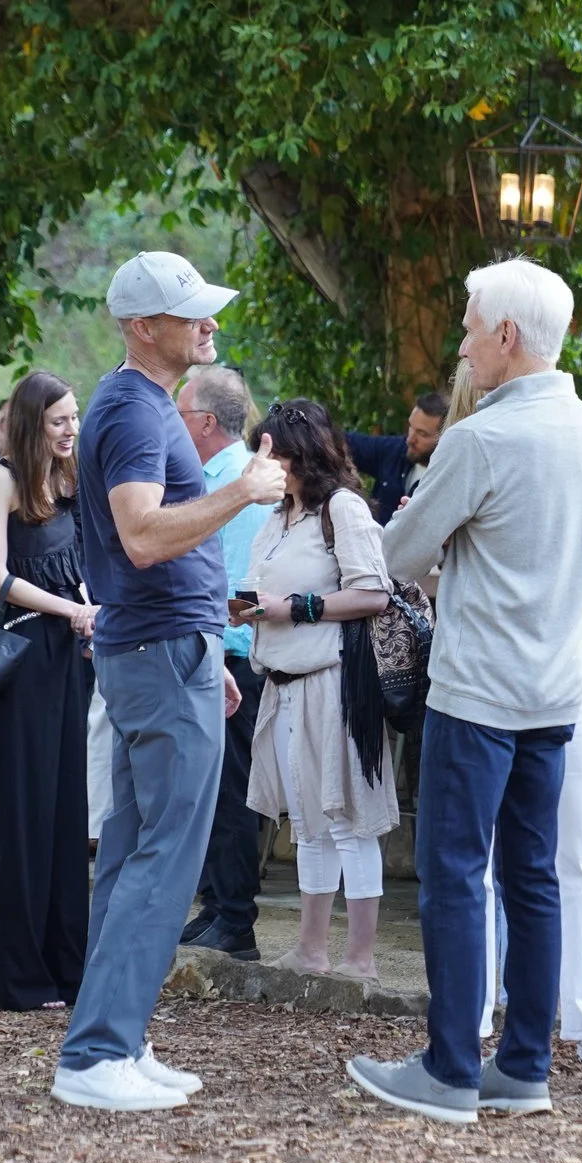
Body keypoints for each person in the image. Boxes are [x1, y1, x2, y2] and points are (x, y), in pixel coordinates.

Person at [346, 258, 582, 1126]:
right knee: (533, 877)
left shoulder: (481, 437)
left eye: (467, 331)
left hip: (478, 690)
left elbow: (396, 555)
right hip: (554, 690)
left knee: (455, 876)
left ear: (505, 334)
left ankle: (450, 1067)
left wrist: (445, 545)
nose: (460, 348)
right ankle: (524, 1065)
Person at [53, 252, 282, 1112]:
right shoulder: (136, 410)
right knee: (164, 857)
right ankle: (97, 1051)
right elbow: (144, 536)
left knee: (131, 853)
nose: (210, 323)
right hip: (158, 653)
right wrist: (245, 490)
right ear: (144, 326)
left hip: (163, 651)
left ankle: (113, 1037)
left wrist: (203, 650)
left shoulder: (134, 403)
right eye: (193, 313)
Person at [239, 399, 397, 981]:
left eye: (274, 454)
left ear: (302, 455)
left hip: (334, 683)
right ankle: (311, 949)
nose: (267, 464)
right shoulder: (278, 516)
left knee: (348, 819)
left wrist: (297, 608)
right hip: (283, 683)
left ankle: (360, 958)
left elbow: (373, 593)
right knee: (308, 821)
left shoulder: (342, 509)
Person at [0, 371, 98, 1011]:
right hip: (20, 659)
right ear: (31, 423)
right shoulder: (0, 480)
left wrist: (92, 612)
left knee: (66, 810)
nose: (71, 429)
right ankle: (20, 975)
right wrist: (69, 610)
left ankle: (67, 968)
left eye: (74, 417)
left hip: (71, 658)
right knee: (20, 811)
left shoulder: (73, 482)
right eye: (58, 420)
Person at [176, 364, 271, 961]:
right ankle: (216, 906)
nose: (174, 423)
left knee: (231, 791)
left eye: (181, 413)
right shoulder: (222, 478)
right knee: (213, 790)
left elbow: (232, 580)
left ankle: (235, 919)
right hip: (223, 650)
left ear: (207, 422)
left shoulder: (238, 482)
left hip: (233, 656)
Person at [346, 392, 449, 523]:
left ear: (445, 438)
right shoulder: (396, 450)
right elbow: (344, 442)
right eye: (411, 427)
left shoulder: (448, 480)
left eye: (422, 434)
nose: (410, 439)